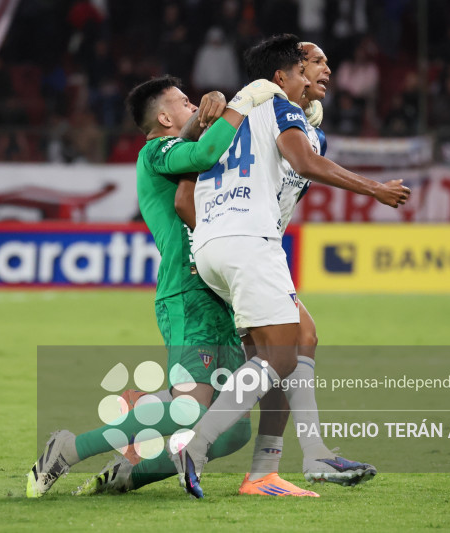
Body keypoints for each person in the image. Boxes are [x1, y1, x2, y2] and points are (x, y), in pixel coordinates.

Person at [26, 77, 291, 498]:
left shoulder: (185, 156)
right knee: (189, 409)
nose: (194, 106)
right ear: (165, 118)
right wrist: (237, 105)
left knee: (233, 430)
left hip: (220, 296)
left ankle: (131, 474)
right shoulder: (157, 152)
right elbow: (204, 152)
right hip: (186, 293)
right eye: (184, 102)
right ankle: (69, 449)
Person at [174, 34, 410, 499]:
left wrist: (220, 236)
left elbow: (185, 198)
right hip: (251, 243)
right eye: (310, 65)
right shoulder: (280, 108)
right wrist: (376, 189)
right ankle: (195, 447)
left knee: (299, 338)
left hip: (212, 245)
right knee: (280, 360)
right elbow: (304, 162)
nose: (321, 71)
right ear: (282, 75)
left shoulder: (224, 119)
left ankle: (280, 466)